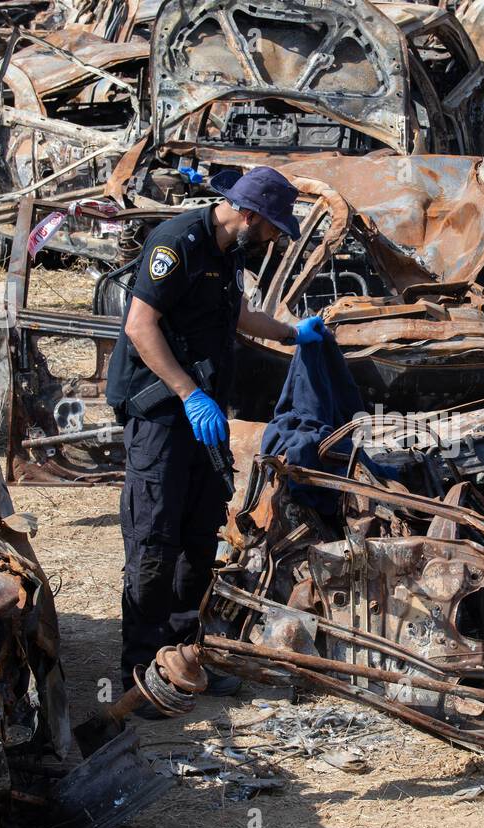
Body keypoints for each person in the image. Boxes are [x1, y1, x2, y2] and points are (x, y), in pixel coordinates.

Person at [105, 166, 324, 703]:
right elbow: (140, 325)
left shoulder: (229, 251)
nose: (275, 237)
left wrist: (293, 334)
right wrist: (186, 392)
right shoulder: (176, 243)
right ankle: (142, 671)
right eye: (274, 227)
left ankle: (184, 658)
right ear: (249, 215)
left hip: (200, 418)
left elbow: (239, 315)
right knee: (154, 538)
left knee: (199, 535)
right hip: (159, 411)